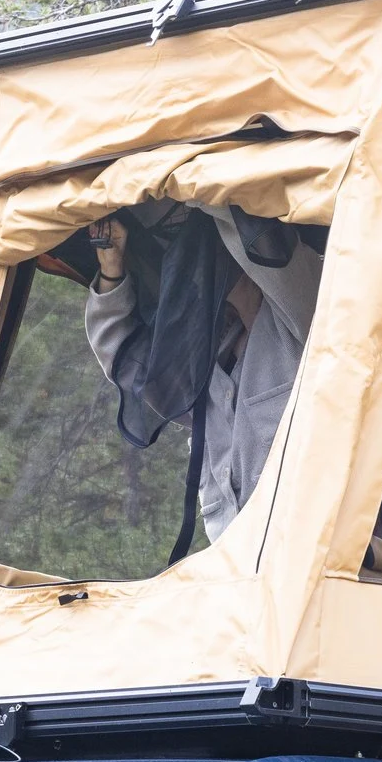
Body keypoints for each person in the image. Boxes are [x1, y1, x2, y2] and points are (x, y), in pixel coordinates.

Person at [83, 205, 322, 545]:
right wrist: (111, 271)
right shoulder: (202, 368)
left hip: (303, 548)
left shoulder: (303, 327)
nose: (204, 276)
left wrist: (199, 191)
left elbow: (276, 261)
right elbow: (126, 365)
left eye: (208, 259)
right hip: (232, 567)